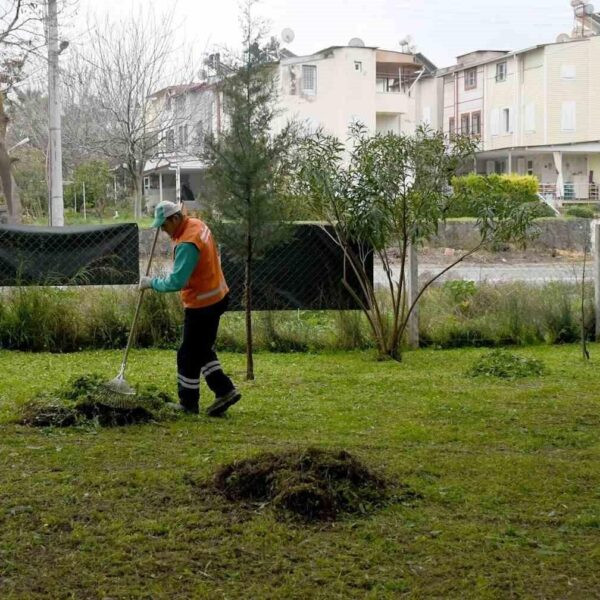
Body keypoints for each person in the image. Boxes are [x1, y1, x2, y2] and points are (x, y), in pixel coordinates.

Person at [139, 200, 241, 417]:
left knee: (187, 354)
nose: (163, 231)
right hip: (218, 295)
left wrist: (151, 283)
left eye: (164, 226)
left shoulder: (187, 243)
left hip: (202, 304)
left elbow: (177, 281)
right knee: (201, 349)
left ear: (175, 218)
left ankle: (188, 404)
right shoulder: (197, 224)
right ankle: (225, 391)